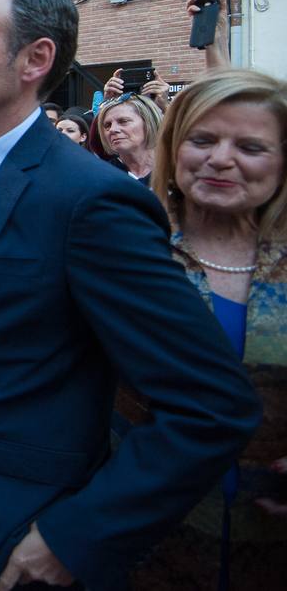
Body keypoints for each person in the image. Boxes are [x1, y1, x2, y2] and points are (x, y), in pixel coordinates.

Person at [0, 0, 261, 590]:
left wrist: (78, 537)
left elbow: (210, 405)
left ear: (35, 60)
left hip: (18, 535)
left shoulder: (90, 200)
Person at [130, 70, 287, 588]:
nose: (222, 159)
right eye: (203, 140)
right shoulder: (128, 254)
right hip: (141, 542)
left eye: (250, 146)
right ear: (174, 148)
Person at [96, 92, 163, 185]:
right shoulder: (99, 176)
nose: (112, 129)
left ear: (148, 122)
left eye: (123, 121)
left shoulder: (174, 170)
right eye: (107, 125)